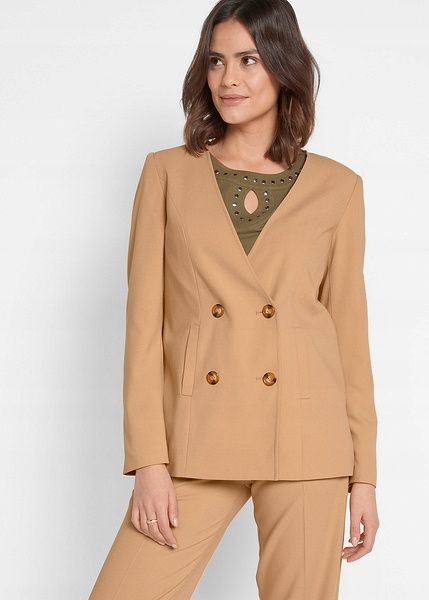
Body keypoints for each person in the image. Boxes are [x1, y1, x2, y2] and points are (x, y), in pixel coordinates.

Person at [88, 1, 380, 598]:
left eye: (248, 60)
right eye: (216, 60)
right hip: (196, 435)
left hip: (307, 438)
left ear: (283, 66)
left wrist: (365, 478)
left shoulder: (339, 188)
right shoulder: (167, 173)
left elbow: (350, 339)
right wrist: (149, 460)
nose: (228, 78)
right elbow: (143, 328)